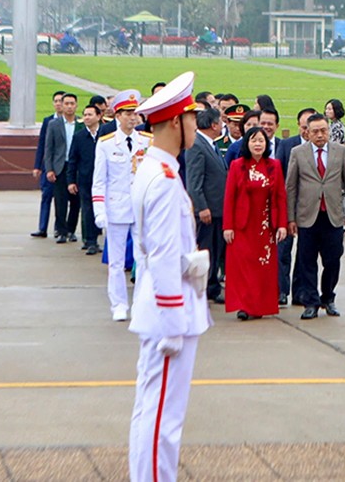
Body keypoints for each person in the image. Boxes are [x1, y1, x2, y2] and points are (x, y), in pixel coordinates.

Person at [128, 71, 212, 482]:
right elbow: (162, 256)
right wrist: (174, 324)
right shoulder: (161, 179)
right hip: (169, 311)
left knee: (152, 409)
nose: (197, 124)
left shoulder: (157, 170)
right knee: (164, 418)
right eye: (193, 117)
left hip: (165, 304)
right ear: (177, 122)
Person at [286, 113, 345, 319]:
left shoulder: (340, 151)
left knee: (332, 259)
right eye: (315, 131)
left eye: (323, 131)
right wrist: (291, 218)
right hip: (307, 216)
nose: (319, 135)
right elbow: (291, 187)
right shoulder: (298, 153)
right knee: (306, 261)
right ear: (307, 132)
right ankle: (311, 302)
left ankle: (328, 297)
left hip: (332, 216)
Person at [92, 90, 153, 322]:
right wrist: (100, 211)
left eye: (134, 113)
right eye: (127, 113)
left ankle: (139, 302)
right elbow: (99, 181)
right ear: (117, 115)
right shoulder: (107, 144)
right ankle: (118, 304)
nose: (131, 118)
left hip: (140, 209)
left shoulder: (146, 141)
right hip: (116, 208)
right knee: (116, 262)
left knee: (143, 258)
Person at [223, 127, 288, 320]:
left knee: (263, 267)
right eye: (253, 140)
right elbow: (229, 198)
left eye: (261, 140)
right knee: (244, 267)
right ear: (247, 143)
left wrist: (282, 224)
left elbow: (280, 197)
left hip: (265, 225)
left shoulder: (274, 165)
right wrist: (228, 226)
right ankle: (244, 305)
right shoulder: (237, 165)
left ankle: (260, 306)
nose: (258, 144)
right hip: (242, 225)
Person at [186, 107, 228, 305]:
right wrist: (201, 207)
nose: (222, 125)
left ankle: (211, 285)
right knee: (206, 251)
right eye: (220, 122)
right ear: (213, 125)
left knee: (215, 250)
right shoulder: (197, 145)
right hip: (207, 211)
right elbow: (194, 181)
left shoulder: (211, 144)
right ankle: (204, 287)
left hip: (218, 210)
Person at [275, 107, 315, 307]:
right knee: (283, 249)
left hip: (311, 209)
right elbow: (279, 175)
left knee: (305, 253)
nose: (307, 130)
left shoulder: (323, 148)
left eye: (312, 126)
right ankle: (281, 290)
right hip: (288, 205)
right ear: (299, 126)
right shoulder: (287, 145)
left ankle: (300, 292)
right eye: (304, 126)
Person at [44, 93, 82, 244]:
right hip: (60, 166)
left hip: (76, 167)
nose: (69, 106)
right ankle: (61, 231)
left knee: (75, 201)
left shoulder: (81, 123)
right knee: (60, 201)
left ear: (76, 105)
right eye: (66, 103)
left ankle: (71, 230)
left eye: (72, 103)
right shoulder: (54, 124)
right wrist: (49, 169)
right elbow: (49, 148)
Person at [67, 105, 102, 255]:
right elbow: (73, 160)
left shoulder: (105, 135)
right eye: (85, 115)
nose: (86, 117)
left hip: (103, 179)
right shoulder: (79, 136)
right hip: (86, 179)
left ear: (99, 116)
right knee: (88, 209)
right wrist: (71, 181)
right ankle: (90, 241)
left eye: (90, 114)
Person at [31, 91, 64, 238]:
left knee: (61, 200)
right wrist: (38, 166)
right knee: (46, 196)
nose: (58, 104)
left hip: (63, 167)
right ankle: (42, 227)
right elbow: (43, 144)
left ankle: (59, 228)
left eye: (61, 101)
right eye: (56, 101)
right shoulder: (48, 121)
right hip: (49, 166)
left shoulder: (72, 122)